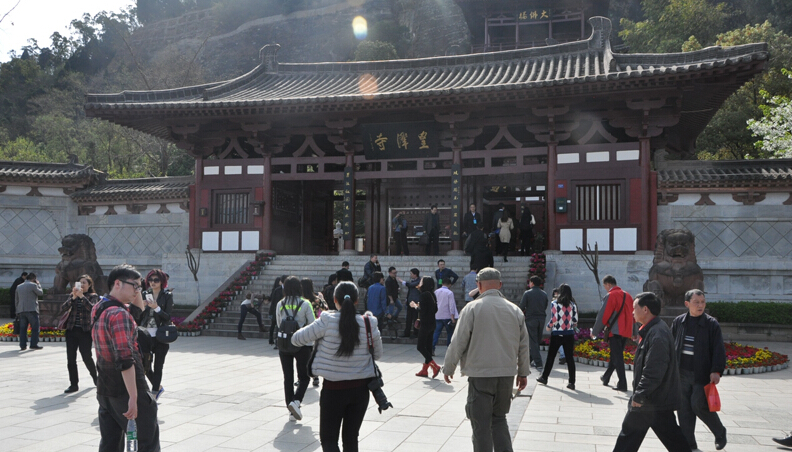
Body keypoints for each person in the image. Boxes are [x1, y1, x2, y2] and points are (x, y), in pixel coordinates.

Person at [443, 267, 530, 452]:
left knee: (481, 425)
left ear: (479, 285)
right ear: (500, 285)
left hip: (481, 375)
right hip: (506, 375)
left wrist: (448, 367)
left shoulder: (472, 308)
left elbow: (458, 341)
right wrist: (523, 373)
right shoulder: (515, 310)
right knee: (499, 420)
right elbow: (524, 346)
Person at [291, 281, 383, 452]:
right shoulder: (369, 323)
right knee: (351, 439)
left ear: (334, 300)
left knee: (329, 440)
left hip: (333, 390)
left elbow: (296, 339)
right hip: (360, 391)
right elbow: (377, 354)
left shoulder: (326, 321)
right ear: (357, 300)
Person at [92, 264, 160, 452]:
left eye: (141, 287)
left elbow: (138, 310)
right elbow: (124, 359)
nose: (138, 291)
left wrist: (136, 285)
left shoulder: (100, 307)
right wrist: (133, 396)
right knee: (147, 442)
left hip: (105, 388)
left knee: (110, 444)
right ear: (117, 283)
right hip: (126, 388)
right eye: (135, 286)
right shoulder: (119, 314)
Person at [612, 292, 690, 452]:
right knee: (673, 440)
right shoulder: (653, 330)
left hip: (651, 400)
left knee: (628, 439)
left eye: (635, 308)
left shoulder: (658, 334)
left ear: (645, 309)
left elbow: (654, 370)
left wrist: (640, 395)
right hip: (655, 400)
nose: (632, 312)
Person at [671, 289, 727, 451]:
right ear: (687, 304)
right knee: (683, 409)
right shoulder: (679, 322)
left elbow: (718, 349)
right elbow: (671, 344)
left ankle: (720, 432)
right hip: (681, 373)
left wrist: (716, 370)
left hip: (701, 374)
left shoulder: (711, 324)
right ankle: (689, 444)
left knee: (698, 404)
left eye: (702, 302)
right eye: (696, 302)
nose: (700, 305)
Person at [276, 276, 316, 421]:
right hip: (302, 344)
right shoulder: (305, 304)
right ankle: (296, 401)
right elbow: (312, 324)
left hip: (284, 344)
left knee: (288, 377)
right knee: (304, 377)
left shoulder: (280, 303)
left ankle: (291, 410)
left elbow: (279, 322)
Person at [594, 275, 636, 392]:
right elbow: (633, 315)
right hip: (626, 330)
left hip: (615, 331)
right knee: (615, 355)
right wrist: (634, 331)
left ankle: (622, 383)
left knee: (617, 357)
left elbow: (603, 315)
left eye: (605, 286)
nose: (605, 289)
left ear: (608, 284)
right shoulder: (628, 296)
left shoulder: (611, 295)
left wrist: (595, 331)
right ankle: (606, 377)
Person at [60, 274, 100, 393]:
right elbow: (63, 307)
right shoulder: (73, 295)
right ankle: (73, 384)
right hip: (71, 330)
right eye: (79, 282)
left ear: (89, 285)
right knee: (71, 359)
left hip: (85, 331)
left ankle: (95, 377)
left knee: (86, 357)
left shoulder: (93, 296)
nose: (81, 285)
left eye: (84, 283)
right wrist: (73, 297)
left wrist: (82, 296)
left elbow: (93, 309)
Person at [535, 283, 578, 390]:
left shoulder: (555, 304)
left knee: (551, 356)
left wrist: (548, 326)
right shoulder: (573, 305)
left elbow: (554, 319)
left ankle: (544, 377)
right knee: (570, 358)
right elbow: (575, 321)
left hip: (557, 333)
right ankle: (571, 382)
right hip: (569, 334)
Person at [139, 270, 173, 400]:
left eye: (156, 280)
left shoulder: (167, 295)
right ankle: (157, 386)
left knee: (158, 365)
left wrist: (157, 308)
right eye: (150, 280)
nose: (152, 282)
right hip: (145, 335)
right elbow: (138, 315)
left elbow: (168, 316)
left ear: (162, 282)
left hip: (161, 335)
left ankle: (154, 392)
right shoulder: (144, 294)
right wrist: (142, 306)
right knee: (145, 365)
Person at [410, 276, 440, 378]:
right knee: (428, 347)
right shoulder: (432, 294)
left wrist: (415, 306)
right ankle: (424, 370)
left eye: (422, 281)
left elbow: (422, 310)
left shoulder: (423, 295)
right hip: (432, 323)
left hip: (425, 324)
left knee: (421, 347)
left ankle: (435, 366)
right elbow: (435, 309)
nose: (420, 282)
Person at [519, 276, 548, 371]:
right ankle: (529, 359)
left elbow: (522, 306)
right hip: (542, 318)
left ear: (532, 283)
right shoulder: (544, 294)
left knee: (533, 340)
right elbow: (545, 305)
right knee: (536, 340)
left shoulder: (527, 293)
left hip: (531, 319)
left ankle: (539, 362)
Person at [15, 272, 43, 351]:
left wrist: (17, 310)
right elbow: (40, 293)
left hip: (22, 310)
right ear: (34, 279)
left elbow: (16, 300)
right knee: (35, 328)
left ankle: (22, 345)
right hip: (32, 310)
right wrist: (39, 284)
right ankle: (33, 344)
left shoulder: (19, 286)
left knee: (23, 329)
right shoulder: (33, 285)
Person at [432, 279, 458, 354]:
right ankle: (449, 349)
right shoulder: (449, 293)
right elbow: (451, 305)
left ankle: (432, 347)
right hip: (447, 316)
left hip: (437, 315)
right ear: (449, 284)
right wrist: (452, 317)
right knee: (449, 333)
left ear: (442, 283)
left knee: (436, 332)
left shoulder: (436, 292)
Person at [402, 268, 421, 338]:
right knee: (408, 319)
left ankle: (415, 333)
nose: (410, 275)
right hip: (410, 303)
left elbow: (411, 285)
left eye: (411, 274)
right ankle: (407, 332)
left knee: (415, 318)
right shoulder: (413, 281)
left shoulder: (419, 281)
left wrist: (403, 282)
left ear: (415, 274)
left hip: (416, 303)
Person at [269, 276, 286, 347]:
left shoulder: (289, 290)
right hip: (277, 310)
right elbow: (273, 302)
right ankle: (277, 342)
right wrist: (271, 312)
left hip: (286, 311)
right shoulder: (277, 290)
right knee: (277, 326)